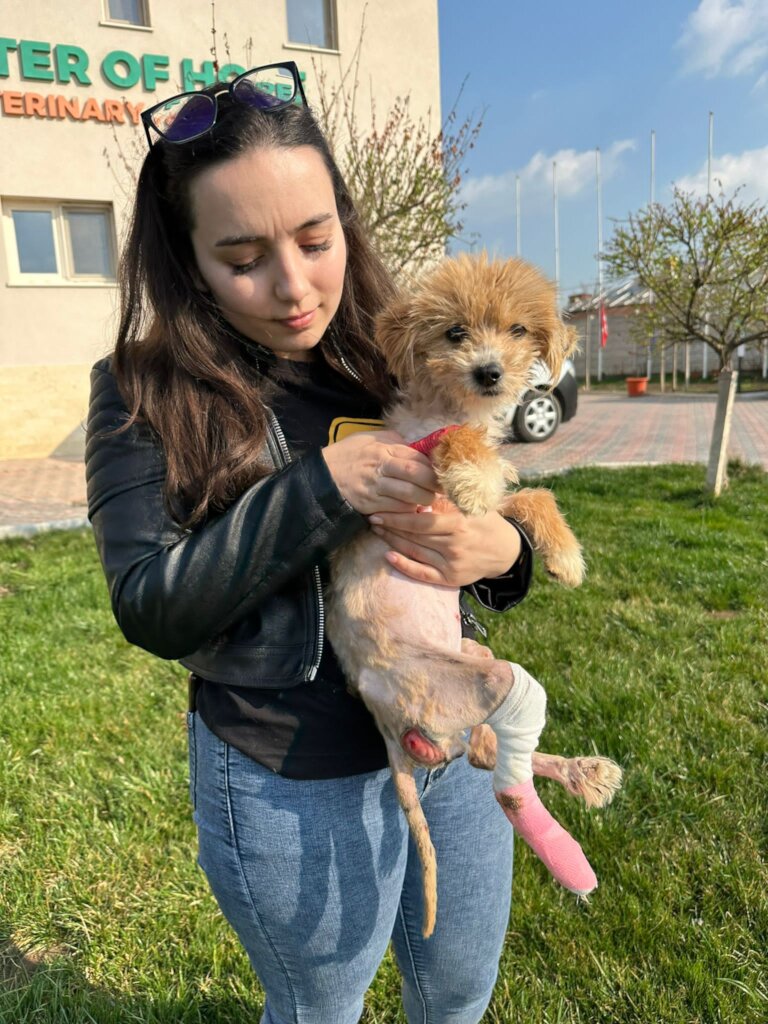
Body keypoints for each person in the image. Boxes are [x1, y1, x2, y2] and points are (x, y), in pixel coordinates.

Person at [86, 62, 535, 1024]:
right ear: (186, 256)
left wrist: (502, 553)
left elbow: (477, 514)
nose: (294, 287)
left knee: (459, 996)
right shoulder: (143, 388)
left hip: (448, 739)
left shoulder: (393, 350)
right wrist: (317, 493)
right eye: (243, 257)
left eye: (316, 239)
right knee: (317, 1011)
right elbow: (150, 604)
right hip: (290, 776)